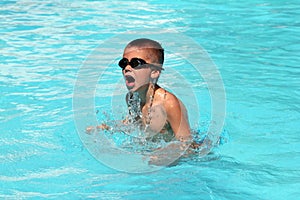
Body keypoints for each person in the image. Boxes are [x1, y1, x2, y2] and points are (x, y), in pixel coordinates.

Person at [87, 38, 194, 146]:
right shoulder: (131, 98)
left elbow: (189, 145)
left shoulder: (169, 104)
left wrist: (165, 155)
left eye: (135, 63)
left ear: (155, 72)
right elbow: (133, 123)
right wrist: (107, 128)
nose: (127, 68)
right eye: (124, 63)